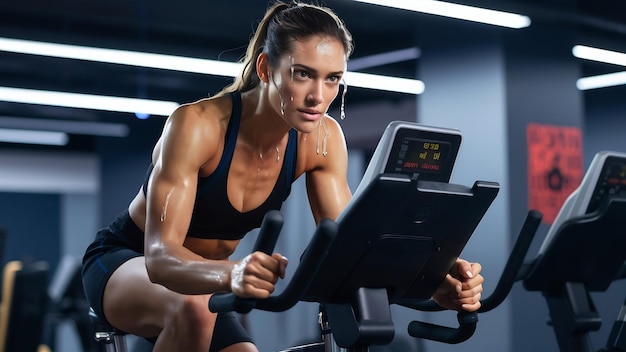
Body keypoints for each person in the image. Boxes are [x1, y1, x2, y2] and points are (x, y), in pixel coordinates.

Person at [81, 1, 484, 351]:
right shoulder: (197, 125)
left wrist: (432, 283)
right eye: (302, 74)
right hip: (128, 262)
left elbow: (352, 252)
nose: (318, 96)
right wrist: (233, 272)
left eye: (332, 79)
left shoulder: (322, 139)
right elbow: (161, 259)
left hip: (211, 287)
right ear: (265, 68)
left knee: (203, 310)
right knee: (193, 305)